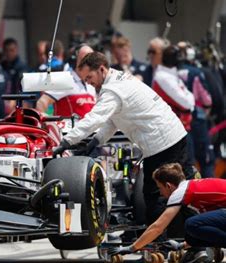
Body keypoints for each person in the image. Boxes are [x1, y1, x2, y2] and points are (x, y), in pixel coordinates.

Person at [53, 52, 194, 233]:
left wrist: (65, 141)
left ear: (102, 69)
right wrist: (95, 141)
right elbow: (112, 121)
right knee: (186, 189)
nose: (88, 82)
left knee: (155, 195)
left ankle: (162, 242)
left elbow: (95, 118)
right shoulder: (119, 80)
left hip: (162, 144)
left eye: (89, 77)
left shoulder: (112, 91)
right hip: (175, 135)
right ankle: (195, 238)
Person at [110, 163, 226, 263]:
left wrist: (132, 248)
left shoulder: (180, 192)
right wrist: (181, 246)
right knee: (193, 232)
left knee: (192, 224)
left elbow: (158, 227)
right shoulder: (193, 188)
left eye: (160, 188)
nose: (160, 192)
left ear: (169, 186)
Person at [177, 42, 216, 177]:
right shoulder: (196, 72)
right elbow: (207, 99)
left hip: (178, 121)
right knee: (206, 159)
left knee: (188, 160)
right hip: (197, 119)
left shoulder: (168, 73)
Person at [36, 44, 96, 118]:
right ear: (75, 61)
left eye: (92, 60)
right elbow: (42, 103)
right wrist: (47, 124)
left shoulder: (92, 83)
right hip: (69, 129)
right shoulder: (65, 80)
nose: (89, 64)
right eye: (85, 60)